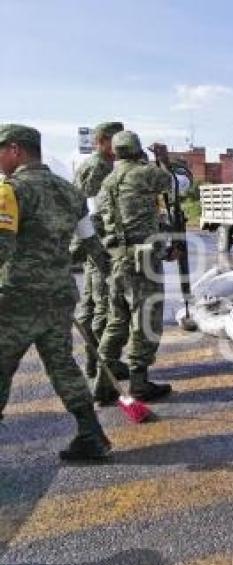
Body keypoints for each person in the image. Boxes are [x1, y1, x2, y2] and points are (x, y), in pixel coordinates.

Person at [0, 123, 112, 461]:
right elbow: (92, 245)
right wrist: (110, 280)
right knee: (63, 365)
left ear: (16, 149)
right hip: (59, 296)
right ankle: (92, 435)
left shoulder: (11, 191)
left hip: (16, 299)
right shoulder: (71, 193)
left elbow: (2, 247)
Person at [93, 131, 176, 403]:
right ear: (138, 150)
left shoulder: (106, 183)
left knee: (117, 319)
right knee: (145, 319)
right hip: (142, 260)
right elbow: (172, 184)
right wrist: (162, 160)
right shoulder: (143, 173)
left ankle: (103, 381)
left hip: (116, 259)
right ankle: (139, 383)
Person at [74, 121, 130, 384]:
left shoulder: (100, 165)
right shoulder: (98, 167)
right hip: (98, 244)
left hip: (91, 242)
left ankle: (95, 362)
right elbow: (94, 211)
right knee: (103, 306)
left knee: (90, 305)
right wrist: (101, 250)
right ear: (104, 141)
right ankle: (101, 366)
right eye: (116, 139)